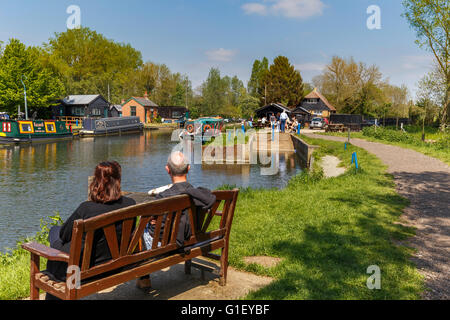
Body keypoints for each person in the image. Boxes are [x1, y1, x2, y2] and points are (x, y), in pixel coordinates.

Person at [43, 161, 136, 300]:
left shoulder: (86, 209)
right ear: (118, 180)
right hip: (116, 264)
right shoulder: (130, 204)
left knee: (55, 232)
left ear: (96, 181)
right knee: (59, 236)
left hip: (84, 271)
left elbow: (64, 235)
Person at [137, 151, 216, 289]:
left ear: (168, 170)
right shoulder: (197, 194)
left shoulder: (164, 197)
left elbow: (159, 228)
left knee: (140, 231)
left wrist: (152, 222)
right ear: (188, 168)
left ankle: (144, 278)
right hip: (191, 236)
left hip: (169, 242)